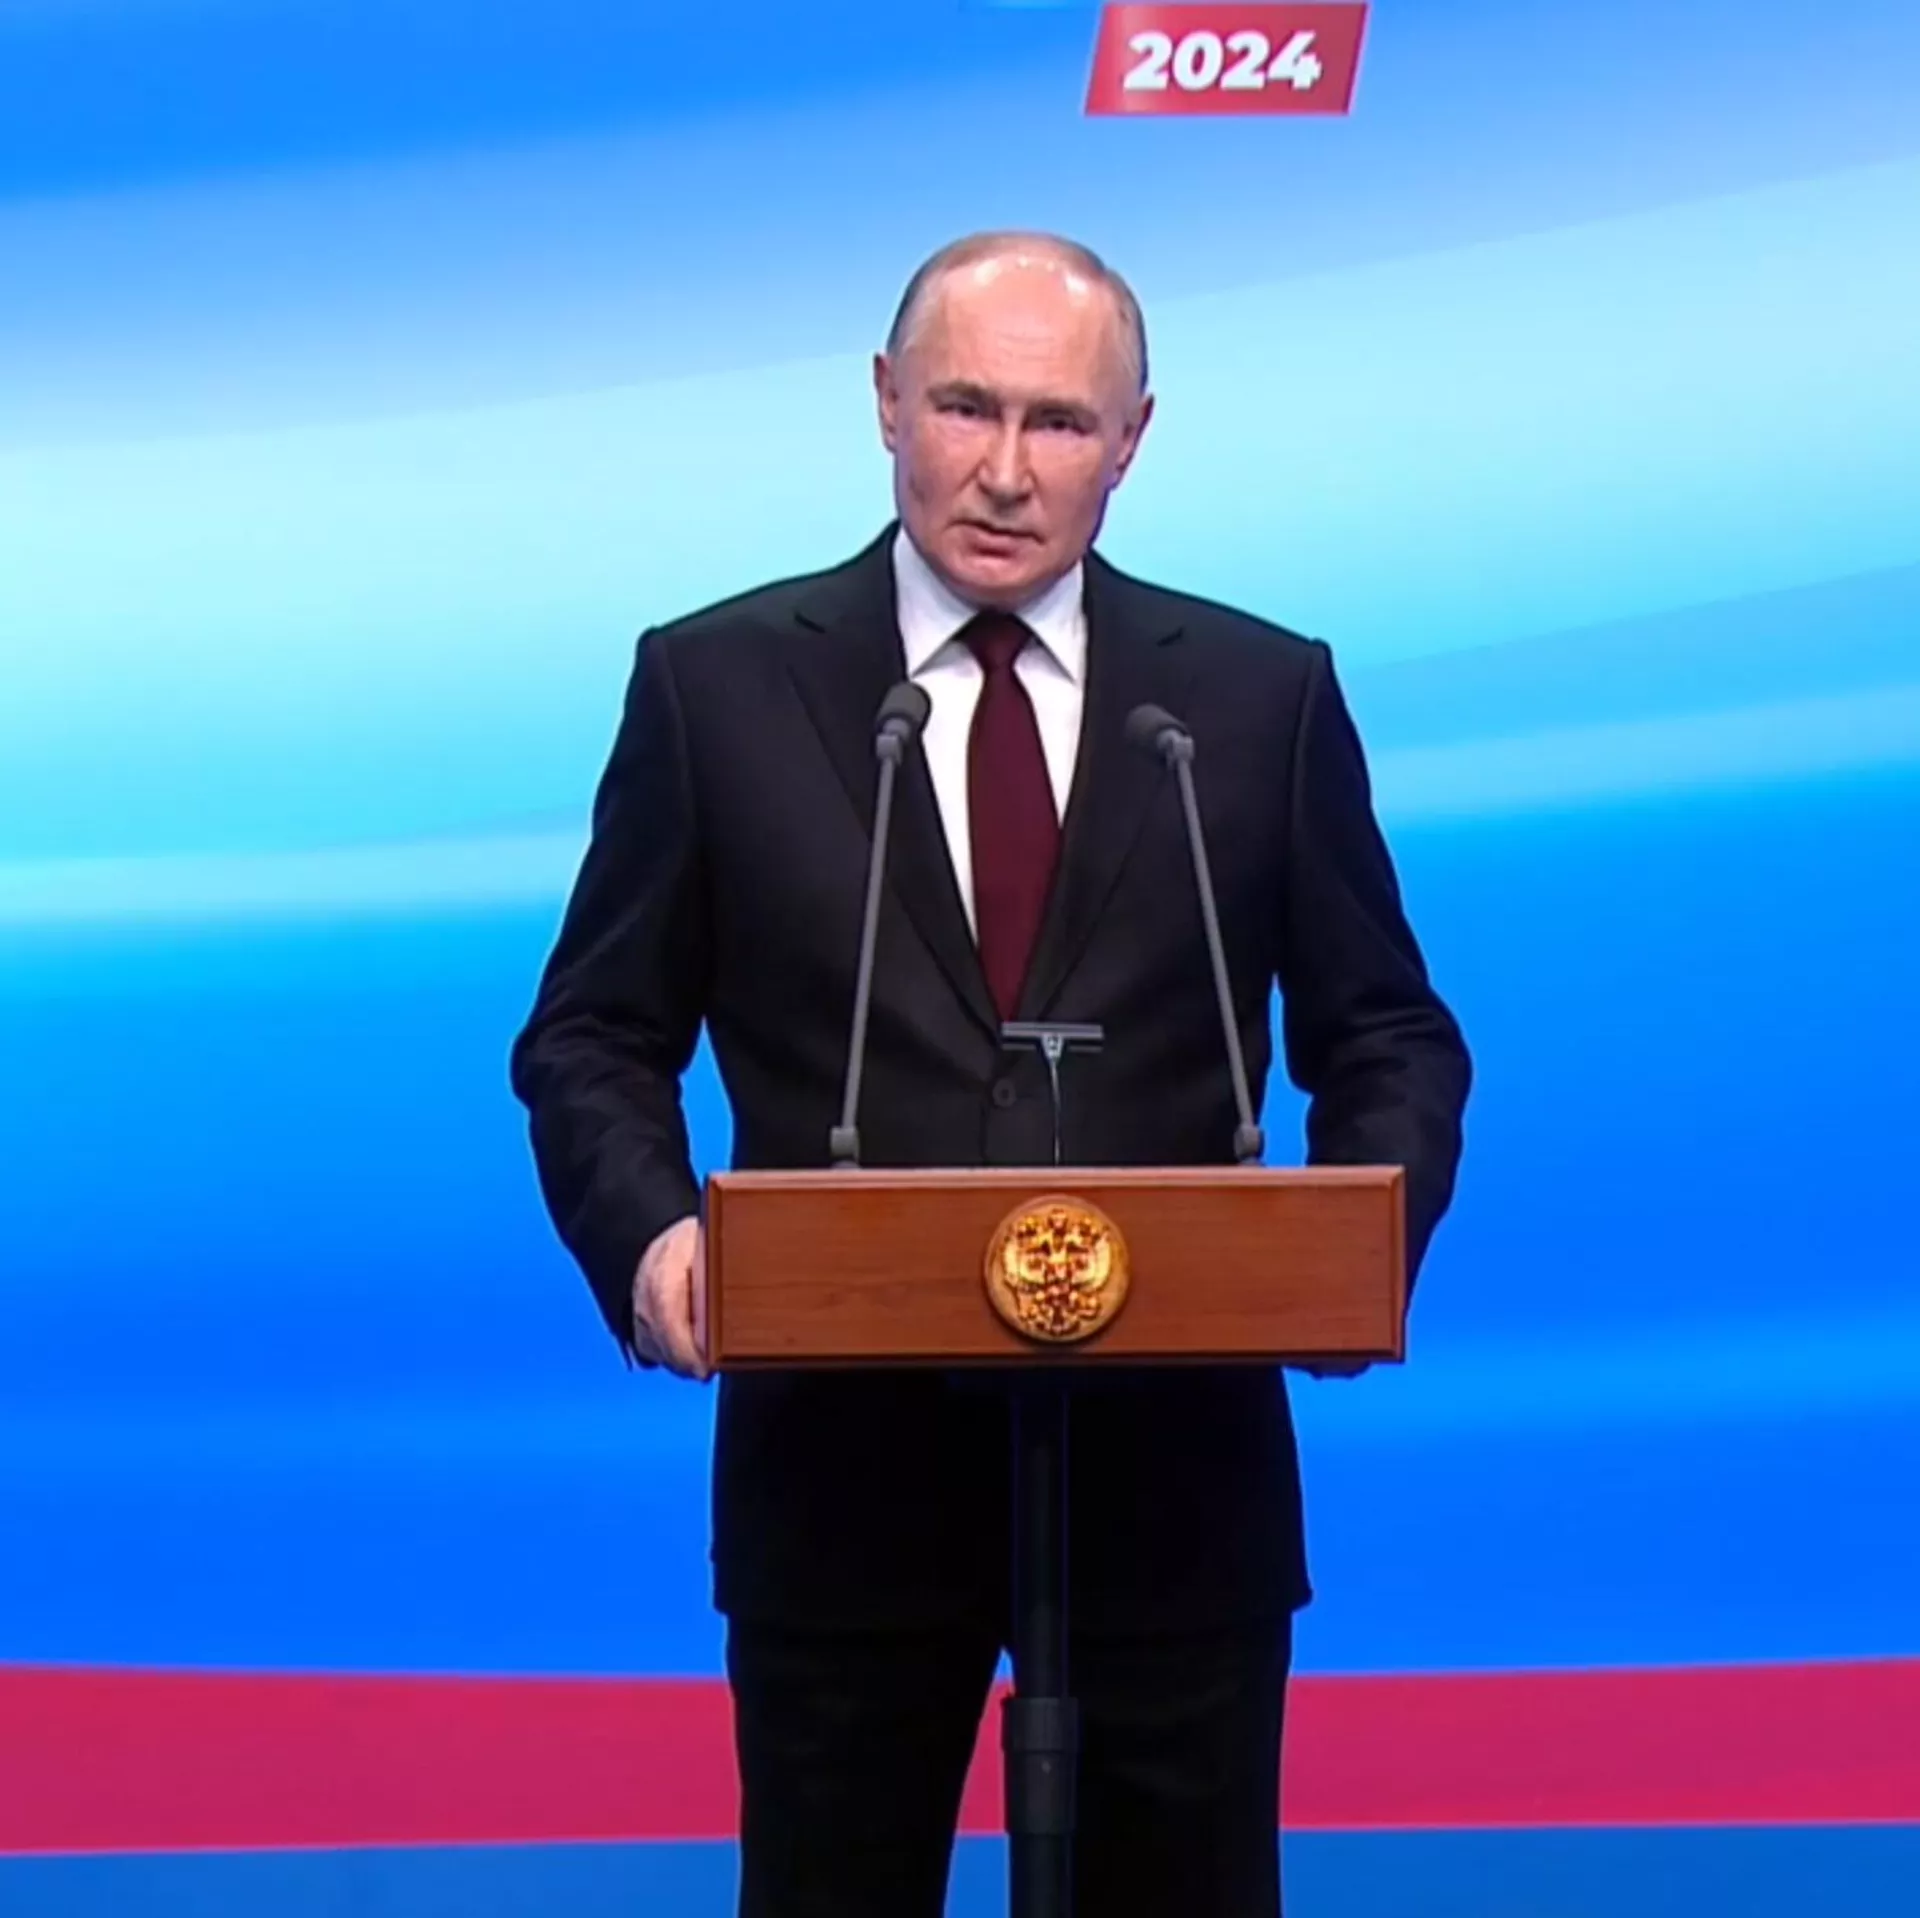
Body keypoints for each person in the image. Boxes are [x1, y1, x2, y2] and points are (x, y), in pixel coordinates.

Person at [510, 231, 1470, 1918]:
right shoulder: (717, 686)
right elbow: (591, 1032)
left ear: (1132, 440)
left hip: (1173, 1480)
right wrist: (657, 1246)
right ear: (886, 402)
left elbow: (1389, 1030)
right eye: (965, 408)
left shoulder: (1256, 699)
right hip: (842, 1476)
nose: (1007, 471)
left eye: (1059, 421)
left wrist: (1357, 1241)